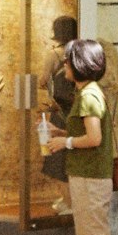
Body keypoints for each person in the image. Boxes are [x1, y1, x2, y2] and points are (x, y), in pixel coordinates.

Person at [48, 38, 116, 235]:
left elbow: (94, 139)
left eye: (66, 61)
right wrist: (62, 131)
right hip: (86, 176)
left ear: (78, 65)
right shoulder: (88, 93)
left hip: (91, 178)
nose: (63, 66)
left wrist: (65, 141)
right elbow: (88, 133)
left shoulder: (88, 96)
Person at [40, 15, 78, 213]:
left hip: (60, 109)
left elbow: (43, 79)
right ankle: (68, 200)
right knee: (68, 159)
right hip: (75, 110)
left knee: (56, 160)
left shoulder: (54, 55)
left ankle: (69, 202)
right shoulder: (78, 52)